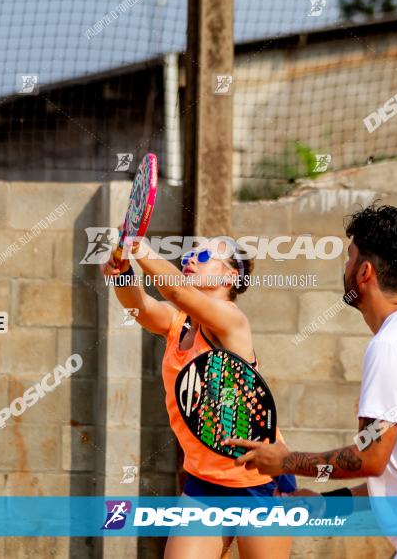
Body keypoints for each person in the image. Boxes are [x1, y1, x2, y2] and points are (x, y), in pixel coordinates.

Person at [227, 203, 397, 558]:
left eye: (349, 257)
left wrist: (285, 461)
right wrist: (324, 506)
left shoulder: (391, 345)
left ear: (364, 272)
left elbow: (368, 459)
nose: (343, 267)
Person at [101, 234, 295, 559]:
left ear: (230, 276)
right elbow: (141, 306)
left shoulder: (232, 321)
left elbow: (176, 289)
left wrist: (138, 247)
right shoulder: (178, 322)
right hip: (205, 480)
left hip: (259, 476)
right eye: (189, 255)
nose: (190, 259)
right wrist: (122, 273)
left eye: (203, 256)